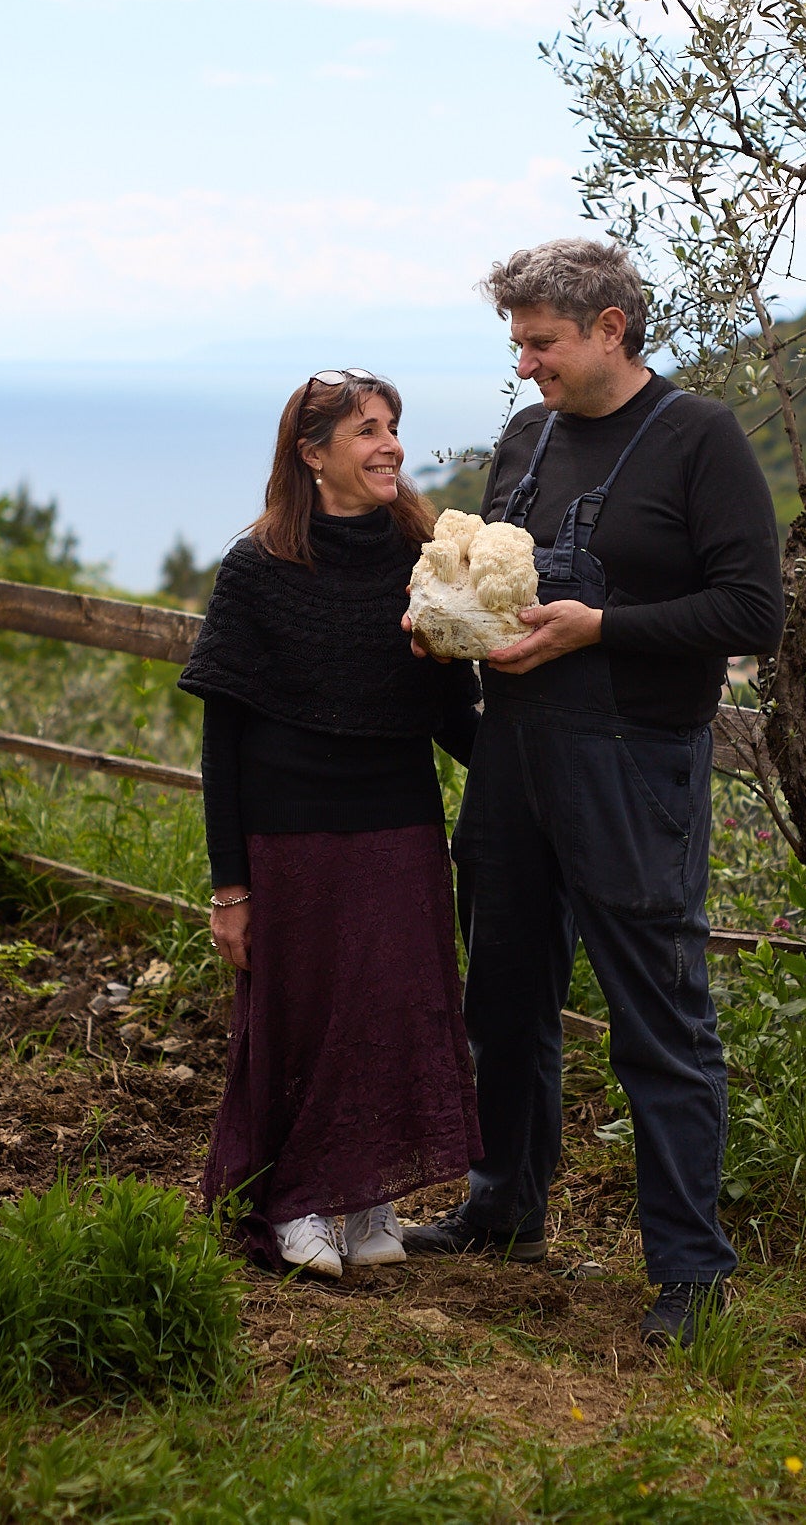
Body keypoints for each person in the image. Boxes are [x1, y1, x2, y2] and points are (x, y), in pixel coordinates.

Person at [402, 238, 783, 1346]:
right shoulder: (527, 438)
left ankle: (690, 1273)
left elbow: (751, 612)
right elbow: (483, 576)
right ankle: (503, 1207)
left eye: (542, 342)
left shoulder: (698, 437)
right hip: (513, 750)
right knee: (504, 995)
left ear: (611, 327)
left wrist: (600, 626)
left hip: (633, 762)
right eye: (515, 342)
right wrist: (446, 623)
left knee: (657, 1017)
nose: (524, 365)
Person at [180, 369, 483, 1278]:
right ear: (311, 455)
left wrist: (545, 744)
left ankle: (366, 1198)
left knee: (391, 1010)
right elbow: (221, 735)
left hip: (398, 826)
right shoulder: (259, 566)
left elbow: (455, 718)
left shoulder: (427, 560)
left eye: (393, 426)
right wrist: (228, 885)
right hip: (288, 837)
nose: (389, 443)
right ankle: (296, 1200)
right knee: (302, 1021)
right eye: (366, 430)